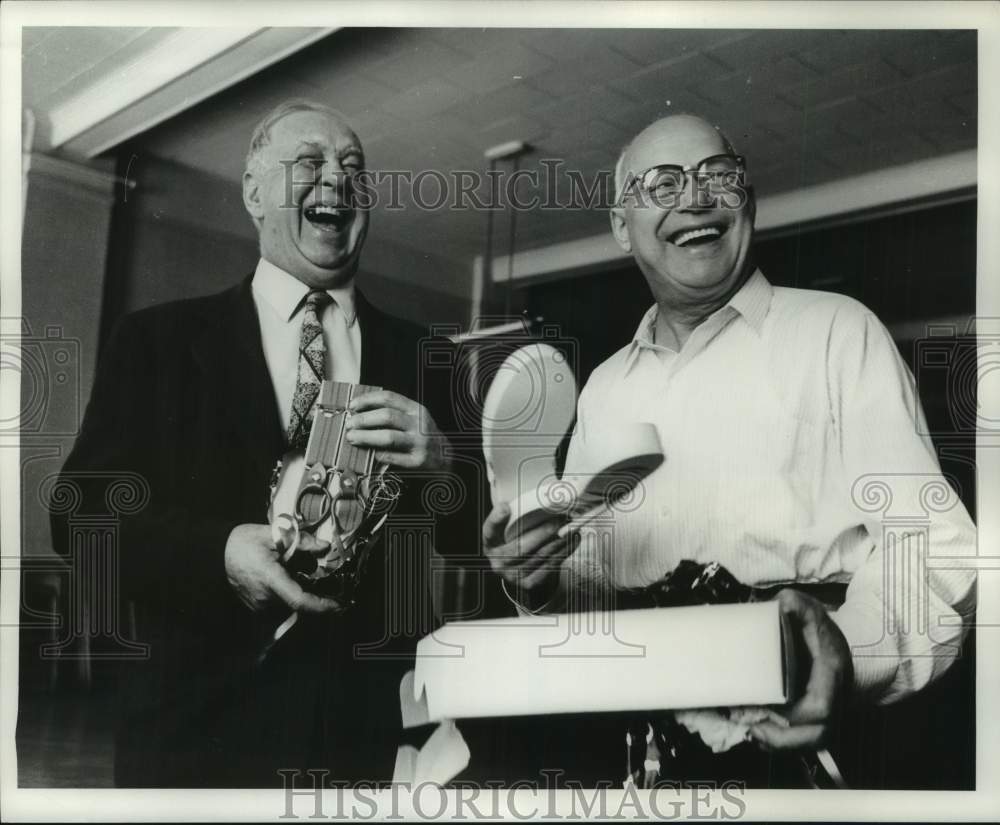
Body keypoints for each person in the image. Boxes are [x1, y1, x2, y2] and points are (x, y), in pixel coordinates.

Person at [481, 114, 977, 778]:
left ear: (748, 198)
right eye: (663, 183)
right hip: (639, 744)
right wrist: (536, 582)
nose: (696, 197)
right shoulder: (603, 390)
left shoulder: (837, 333)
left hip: (804, 737)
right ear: (620, 227)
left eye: (717, 174)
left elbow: (935, 555)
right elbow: (591, 590)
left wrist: (845, 650)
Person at [50, 99, 470, 787]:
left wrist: (446, 463)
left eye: (354, 168)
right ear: (253, 191)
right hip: (194, 738)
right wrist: (217, 552)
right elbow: (79, 514)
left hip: (368, 741)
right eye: (309, 161)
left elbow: (476, 538)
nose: (337, 179)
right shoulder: (156, 342)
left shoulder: (427, 356)